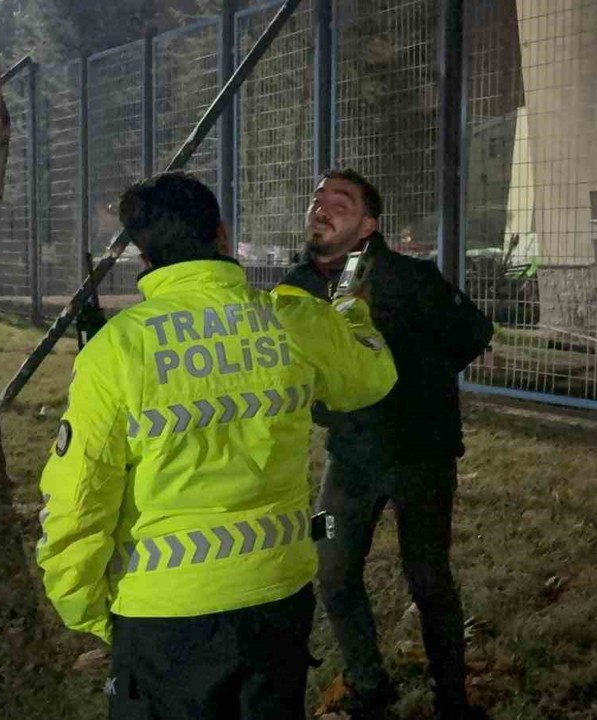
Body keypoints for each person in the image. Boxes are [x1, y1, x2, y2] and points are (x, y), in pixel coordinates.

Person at [36, 171, 398, 719]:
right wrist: (349, 309)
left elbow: (79, 497)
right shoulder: (292, 319)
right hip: (276, 598)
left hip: (162, 615)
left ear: (145, 257)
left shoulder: (119, 349)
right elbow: (370, 376)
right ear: (223, 237)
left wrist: (85, 606)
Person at [276, 169, 494, 720]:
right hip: (345, 459)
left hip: (422, 456)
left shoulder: (410, 277)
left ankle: (452, 700)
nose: (320, 208)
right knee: (330, 566)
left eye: (339, 201)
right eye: (316, 198)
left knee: (428, 577)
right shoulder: (299, 287)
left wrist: (419, 381)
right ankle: (370, 686)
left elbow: (474, 334)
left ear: (370, 224)